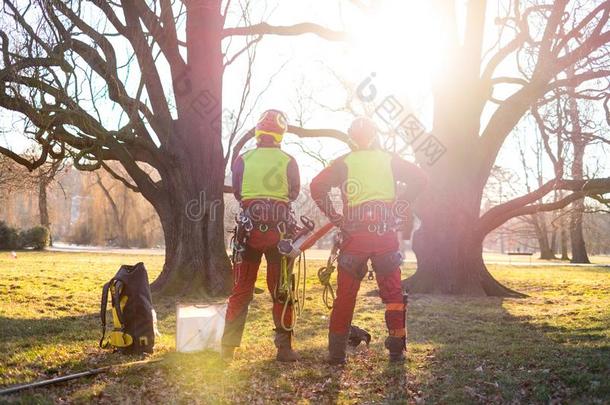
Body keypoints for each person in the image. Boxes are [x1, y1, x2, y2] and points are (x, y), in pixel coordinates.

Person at [310, 117, 427, 364]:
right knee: (393, 293)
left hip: (354, 237)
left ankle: (336, 354)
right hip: (384, 236)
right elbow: (420, 179)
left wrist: (336, 217)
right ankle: (396, 348)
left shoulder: (343, 163)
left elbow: (317, 185)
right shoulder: (389, 160)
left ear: (351, 138)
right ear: (374, 136)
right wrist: (399, 207)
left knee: (345, 295)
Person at [221, 109, 301, 363]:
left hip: (249, 233)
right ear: (280, 134)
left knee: (241, 289)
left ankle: (227, 349)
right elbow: (294, 193)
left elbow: (237, 191)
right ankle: (284, 349)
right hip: (279, 234)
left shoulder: (243, 159)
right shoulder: (289, 160)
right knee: (282, 289)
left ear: (258, 132)